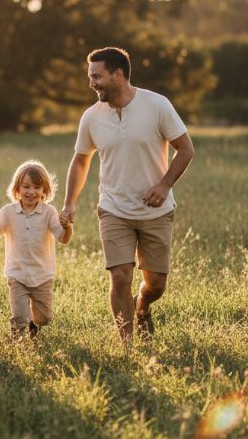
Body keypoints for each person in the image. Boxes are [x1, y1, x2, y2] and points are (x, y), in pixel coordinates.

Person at [60, 47, 195, 343]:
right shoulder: (91, 117)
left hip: (155, 211)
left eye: (97, 76)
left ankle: (142, 305)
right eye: (90, 77)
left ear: (118, 74)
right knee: (120, 275)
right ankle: (128, 345)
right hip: (113, 208)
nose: (92, 83)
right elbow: (81, 160)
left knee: (156, 283)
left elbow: (185, 149)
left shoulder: (157, 105)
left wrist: (164, 185)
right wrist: (69, 203)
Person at [0, 160, 73, 340]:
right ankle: (18, 342)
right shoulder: (8, 212)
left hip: (42, 275)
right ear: (17, 189)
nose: (31, 192)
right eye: (26, 186)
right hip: (17, 274)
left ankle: (33, 326)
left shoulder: (49, 212)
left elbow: (63, 238)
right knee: (19, 317)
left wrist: (68, 228)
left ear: (45, 190)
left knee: (44, 318)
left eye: (37, 187)